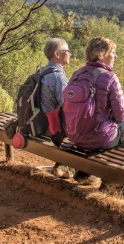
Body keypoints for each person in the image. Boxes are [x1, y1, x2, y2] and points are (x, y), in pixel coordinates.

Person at [69, 36, 124, 184]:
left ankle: (84, 174)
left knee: (100, 129)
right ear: (101, 54)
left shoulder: (77, 74)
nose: (115, 56)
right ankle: (111, 183)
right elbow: (120, 116)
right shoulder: (109, 77)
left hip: (74, 135)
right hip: (99, 138)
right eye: (113, 52)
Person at [41, 38, 74, 178]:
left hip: (40, 122)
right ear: (57, 54)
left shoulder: (43, 71)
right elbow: (68, 105)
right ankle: (84, 172)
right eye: (67, 51)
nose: (70, 54)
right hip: (52, 128)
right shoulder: (57, 77)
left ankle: (63, 166)